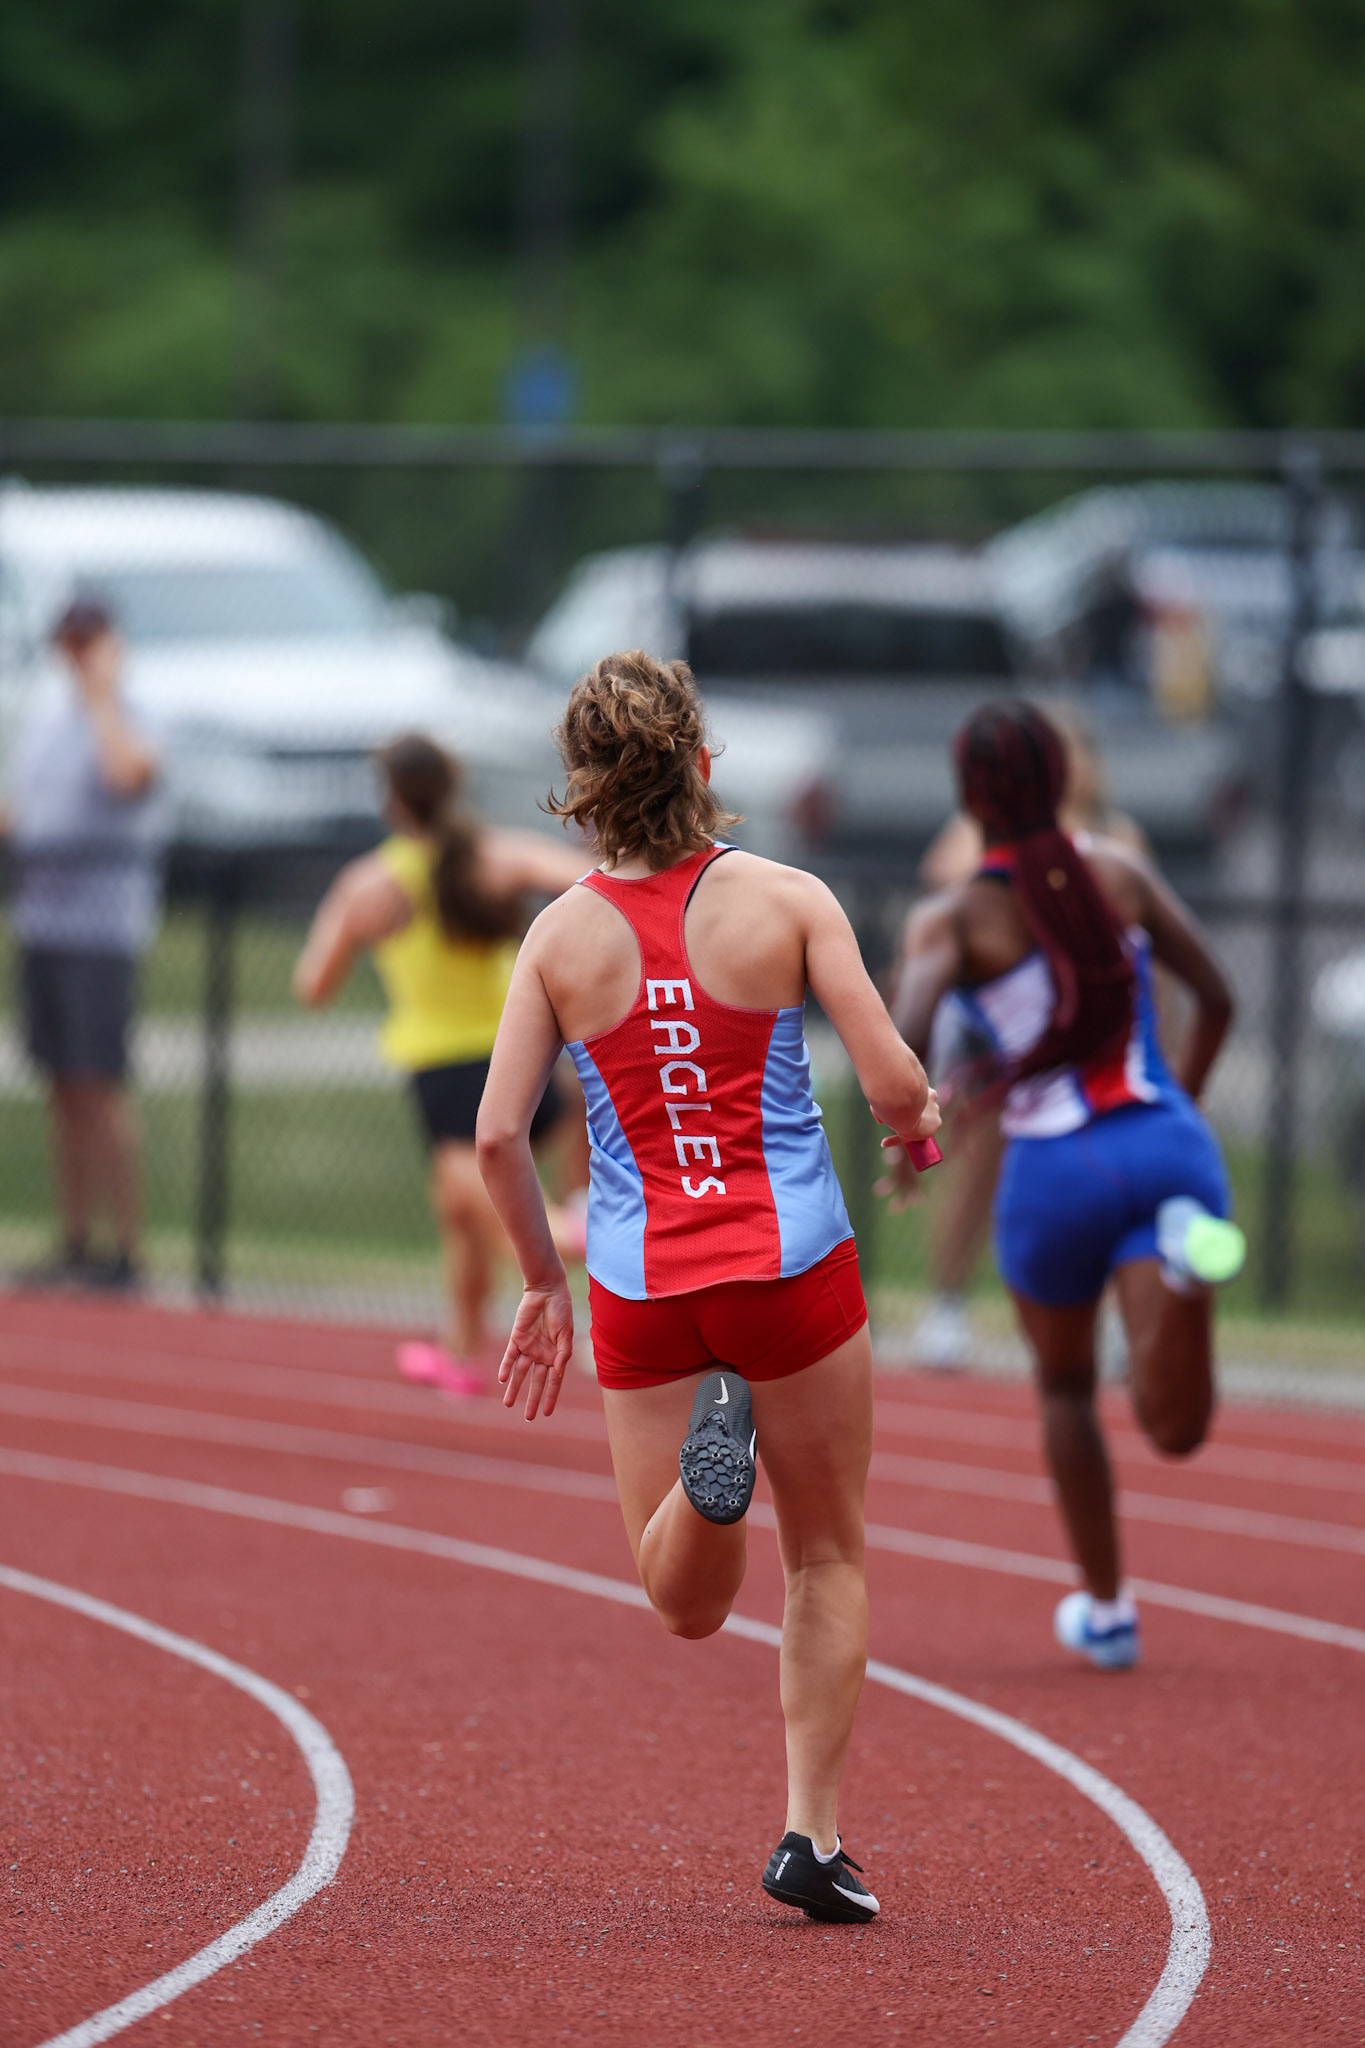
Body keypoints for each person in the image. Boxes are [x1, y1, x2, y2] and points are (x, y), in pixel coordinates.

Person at [476, 651, 939, 1921]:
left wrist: (539, 1280)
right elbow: (892, 1079)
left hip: (642, 1280)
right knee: (830, 1552)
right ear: (704, 764)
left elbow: (493, 1135)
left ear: (582, 788)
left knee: (684, 1598)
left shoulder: (560, 936)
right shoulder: (787, 898)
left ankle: (703, 1478)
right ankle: (812, 1836)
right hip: (790, 1266)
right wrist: (916, 1121)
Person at [891, 699, 1243, 1672]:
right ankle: (1186, 1271)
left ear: (970, 797)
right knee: (1174, 1426)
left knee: (1066, 1386)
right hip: (1168, 1143)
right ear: (1060, 778)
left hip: (1054, 1170)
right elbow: (1217, 995)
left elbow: (901, 1045)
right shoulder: (1122, 872)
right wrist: (1185, 1106)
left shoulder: (955, 914)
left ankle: (1108, 1604)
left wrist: (910, 1148)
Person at [293, 733, 587, 1395]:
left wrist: (362, 931)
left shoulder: (374, 881)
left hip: (447, 1070)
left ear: (391, 800)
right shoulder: (493, 854)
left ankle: (573, 1234)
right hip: (525, 1060)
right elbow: (590, 882)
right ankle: (459, 1348)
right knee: (456, 1213)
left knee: (477, 1197)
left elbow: (311, 986)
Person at [906, 704, 1154, 1369]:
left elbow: (1139, 922)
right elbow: (945, 886)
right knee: (978, 1167)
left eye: (1079, 753)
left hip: (1090, 1030)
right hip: (999, 1032)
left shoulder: (1115, 835)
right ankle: (945, 1308)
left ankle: (1111, 1317)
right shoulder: (984, 826)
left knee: (1108, 1173)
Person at [5, 598, 168, 1289]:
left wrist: (103, 697)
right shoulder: (43, 721)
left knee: (101, 1087)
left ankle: (125, 1249)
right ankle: (75, 1239)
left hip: (102, 929)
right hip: (43, 920)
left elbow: (126, 778)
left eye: (87, 643)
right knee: (62, 1086)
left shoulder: (138, 719)